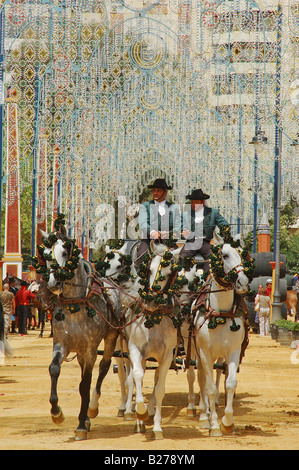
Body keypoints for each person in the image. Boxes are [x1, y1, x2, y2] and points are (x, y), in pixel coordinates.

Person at [180, 188, 229, 272]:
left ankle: (208, 280)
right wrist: (183, 232)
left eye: (196, 202)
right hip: (191, 242)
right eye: (192, 202)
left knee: (212, 257)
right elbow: (179, 227)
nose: (193, 204)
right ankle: (185, 280)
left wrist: (218, 239)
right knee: (182, 256)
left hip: (206, 242)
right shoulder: (185, 214)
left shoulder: (213, 212)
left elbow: (225, 226)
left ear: (203, 202)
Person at [136, 178, 181, 266]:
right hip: (149, 240)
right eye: (154, 190)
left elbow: (178, 227)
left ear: (165, 192)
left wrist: (168, 234)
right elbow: (143, 223)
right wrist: (152, 232)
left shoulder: (174, 207)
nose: (155, 193)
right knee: (141, 255)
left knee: (180, 259)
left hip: (168, 241)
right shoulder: (145, 206)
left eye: (158, 191)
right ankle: (141, 278)